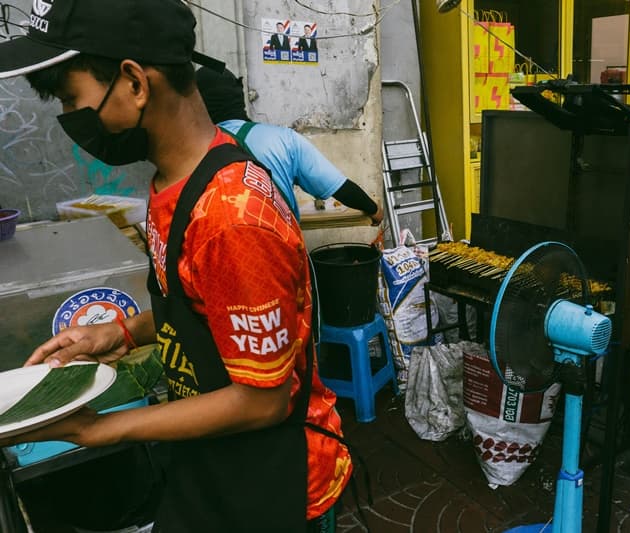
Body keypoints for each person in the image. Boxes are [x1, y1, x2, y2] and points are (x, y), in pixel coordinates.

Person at [0, 1, 351, 531]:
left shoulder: (232, 218)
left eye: (72, 98)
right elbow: (201, 307)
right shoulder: (175, 181)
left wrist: (100, 430)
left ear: (135, 83)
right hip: (217, 463)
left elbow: (263, 402)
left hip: (279, 484)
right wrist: (120, 333)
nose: (70, 116)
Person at [195, 66, 382, 224]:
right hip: (279, 247)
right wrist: (374, 211)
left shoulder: (190, 151)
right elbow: (341, 188)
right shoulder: (283, 139)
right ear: (238, 94)